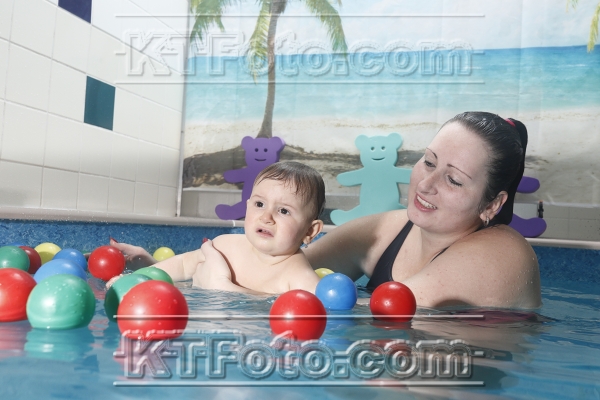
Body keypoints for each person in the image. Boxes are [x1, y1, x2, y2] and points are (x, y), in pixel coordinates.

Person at [304, 111, 541, 309]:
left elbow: (378, 313)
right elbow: (287, 267)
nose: (425, 185)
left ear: (492, 204)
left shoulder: (501, 255)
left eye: (453, 180)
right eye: (429, 162)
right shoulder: (389, 229)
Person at [110, 161, 325, 295]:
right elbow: (184, 265)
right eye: (259, 204)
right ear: (248, 205)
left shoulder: (300, 279)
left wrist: (225, 288)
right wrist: (142, 276)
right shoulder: (225, 246)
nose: (266, 217)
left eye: (284, 211)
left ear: (310, 231)